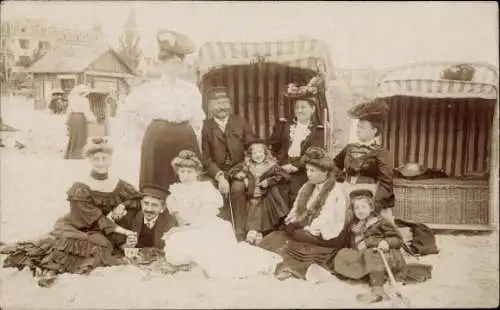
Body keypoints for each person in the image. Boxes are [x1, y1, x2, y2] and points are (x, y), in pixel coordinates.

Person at [0, 137, 142, 287]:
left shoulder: (118, 183)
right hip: (77, 224)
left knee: (100, 245)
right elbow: (95, 218)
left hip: (101, 229)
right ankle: (50, 272)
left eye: (104, 158)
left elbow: (138, 199)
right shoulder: (81, 186)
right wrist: (124, 231)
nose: (101, 162)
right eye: (96, 159)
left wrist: (123, 205)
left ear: (111, 159)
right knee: (77, 243)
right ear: (89, 160)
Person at [162, 150, 282, 278]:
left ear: (197, 173)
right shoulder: (175, 192)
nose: (185, 175)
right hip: (188, 227)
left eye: (189, 172)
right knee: (176, 242)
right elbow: (180, 220)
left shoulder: (205, 189)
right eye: (182, 172)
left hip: (207, 226)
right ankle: (192, 265)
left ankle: (202, 265)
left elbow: (205, 218)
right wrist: (179, 230)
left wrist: (183, 229)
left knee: (210, 248)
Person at [121, 29, 205, 193]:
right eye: (173, 63)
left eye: (180, 63)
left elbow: (197, 119)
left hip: (184, 140)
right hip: (157, 141)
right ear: (162, 64)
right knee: (157, 184)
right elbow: (127, 112)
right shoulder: (148, 89)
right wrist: (142, 132)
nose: (177, 67)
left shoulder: (190, 89)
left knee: (186, 181)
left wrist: (193, 135)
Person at [258, 147, 348, 282]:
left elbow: (327, 218)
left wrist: (303, 227)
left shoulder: (335, 191)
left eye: (313, 171)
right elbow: (296, 207)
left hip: (326, 233)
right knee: (275, 237)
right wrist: (293, 221)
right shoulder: (308, 186)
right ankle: (285, 261)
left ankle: (300, 266)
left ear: (325, 172)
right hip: (307, 226)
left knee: (296, 236)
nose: (309, 174)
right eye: (307, 170)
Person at [333, 185, 406, 304]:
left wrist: (386, 242)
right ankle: (364, 273)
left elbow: (398, 239)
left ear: (371, 208)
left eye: (363, 207)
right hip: (363, 254)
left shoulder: (380, 222)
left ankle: (378, 289)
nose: (360, 210)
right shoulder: (353, 225)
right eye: (356, 208)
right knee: (342, 253)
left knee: (371, 254)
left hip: (383, 254)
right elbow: (346, 241)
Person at [201, 86, 257, 241]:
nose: (222, 107)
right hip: (216, 171)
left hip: (239, 169)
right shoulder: (205, 127)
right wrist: (219, 177)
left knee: (238, 189)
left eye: (225, 102)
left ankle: (239, 233)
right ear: (211, 106)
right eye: (217, 103)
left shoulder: (240, 122)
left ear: (230, 105)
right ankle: (217, 234)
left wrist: (245, 168)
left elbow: (252, 147)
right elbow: (205, 158)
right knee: (211, 190)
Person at [333, 98, 395, 222]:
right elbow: (334, 164)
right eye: (358, 127)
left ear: (374, 130)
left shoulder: (381, 152)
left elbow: (386, 182)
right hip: (346, 191)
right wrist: (340, 179)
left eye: (362, 127)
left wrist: (374, 204)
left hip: (368, 194)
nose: (358, 130)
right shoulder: (349, 148)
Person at [267, 74, 325, 206]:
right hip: (282, 165)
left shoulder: (318, 130)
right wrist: (278, 163)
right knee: (274, 188)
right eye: (297, 107)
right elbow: (274, 146)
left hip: (304, 168)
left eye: (303, 107)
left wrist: (295, 166)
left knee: (297, 192)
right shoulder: (284, 125)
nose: (299, 110)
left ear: (313, 109)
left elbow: (314, 154)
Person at [228, 140, 291, 244]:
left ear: (265, 153)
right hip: (252, 194)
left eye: (260, 152)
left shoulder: (272, 166)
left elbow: (285, 176)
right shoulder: (247, 165)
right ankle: (257, 232)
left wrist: (269, 181)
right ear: (250, 155)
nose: (258, 155)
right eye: (254, 153)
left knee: (258, 207)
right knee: (252, 205)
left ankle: (253, 231)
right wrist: (239, 175)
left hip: (266, 195)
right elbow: (232, 171)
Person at [111, 185, 177, 250]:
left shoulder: (170, 222)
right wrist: (127, 245)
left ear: (162, 208)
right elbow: (118, 241)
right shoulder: (130, 216)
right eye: (146, 203)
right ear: (141, 203)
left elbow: (171, 248)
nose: (149, 209)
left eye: (154, 205)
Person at [64, 84, 96, 159]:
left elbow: (68, 111)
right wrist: (92, 119)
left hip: (73, 118)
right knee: (81, 136)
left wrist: (67, 121)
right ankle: (78, 154)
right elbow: (86, 112)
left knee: (73, 136)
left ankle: (71, 153)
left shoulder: (72, 100)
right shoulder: (85, 100)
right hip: (81, 118)